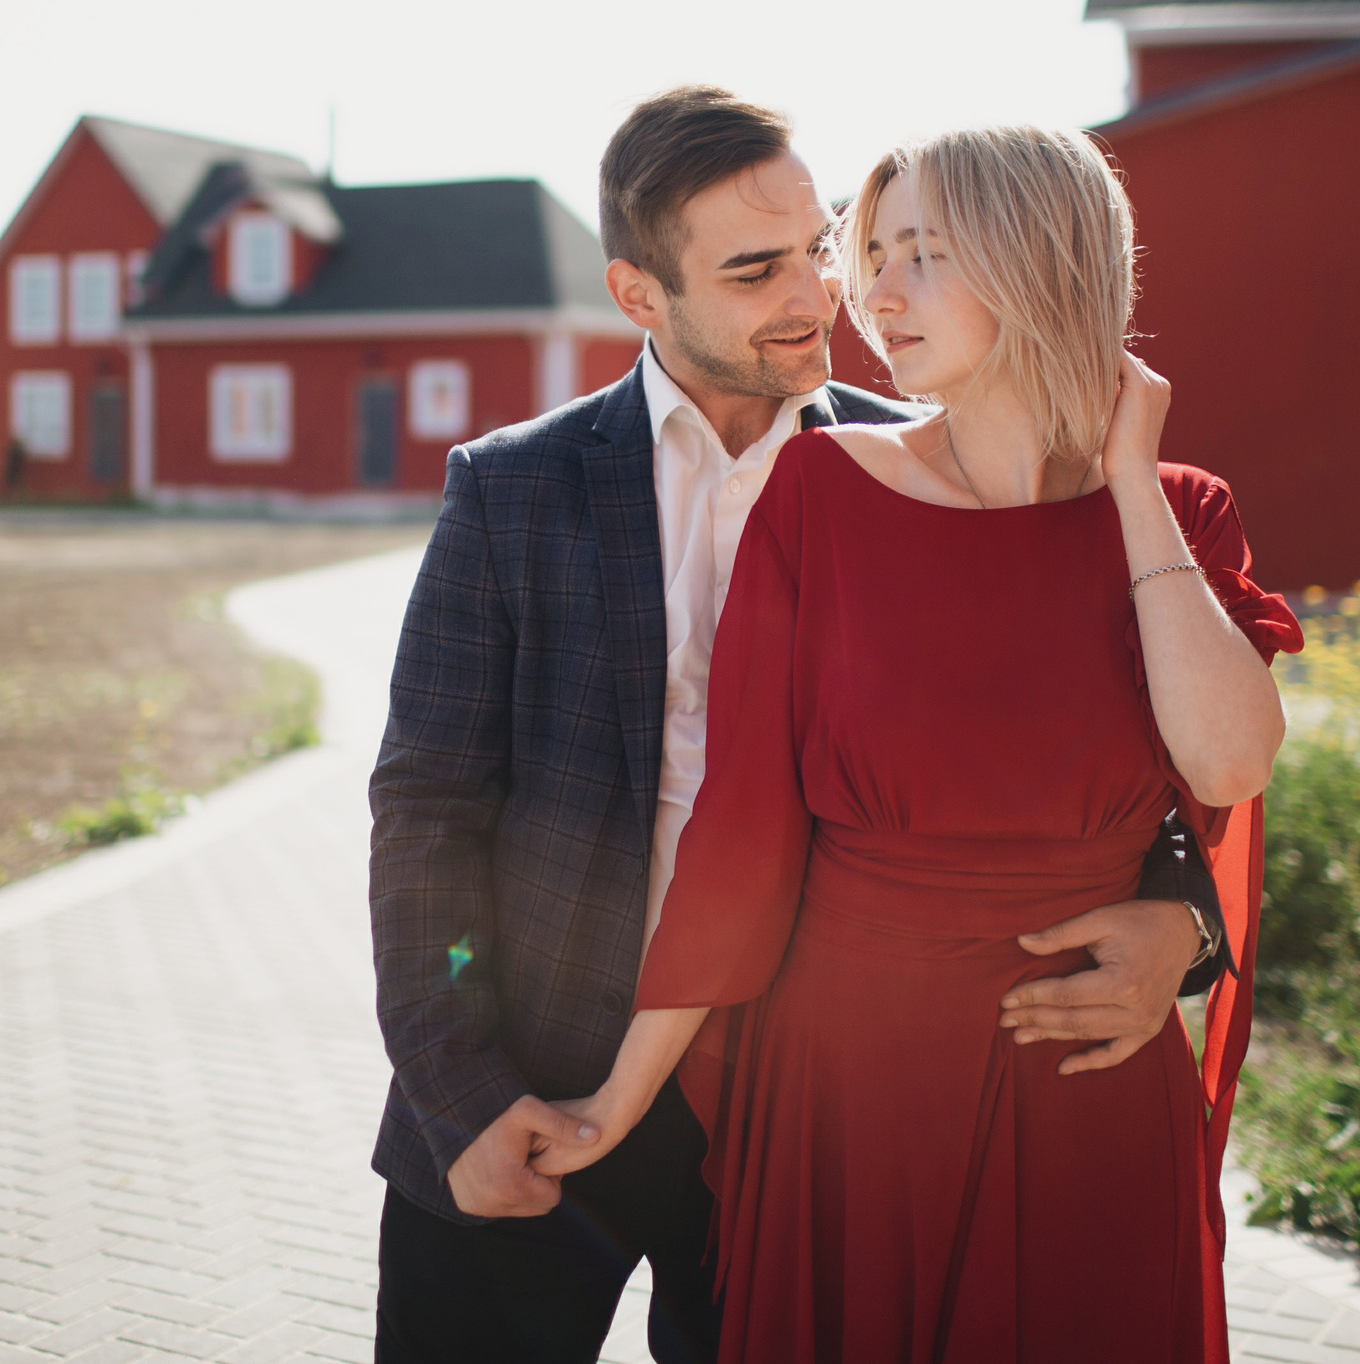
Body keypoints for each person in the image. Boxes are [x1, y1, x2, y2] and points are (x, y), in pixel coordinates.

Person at [368, 91, 1234, 1363]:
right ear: (639, 294)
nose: (820, 294)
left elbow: (1083, 740)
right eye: (753, 271)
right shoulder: (513, 489)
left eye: (820, 247)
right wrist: (461, 1088)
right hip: (542, 1080)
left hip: (806, 1097)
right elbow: (426, 814)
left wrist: (1182, 919)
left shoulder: (939, 466)